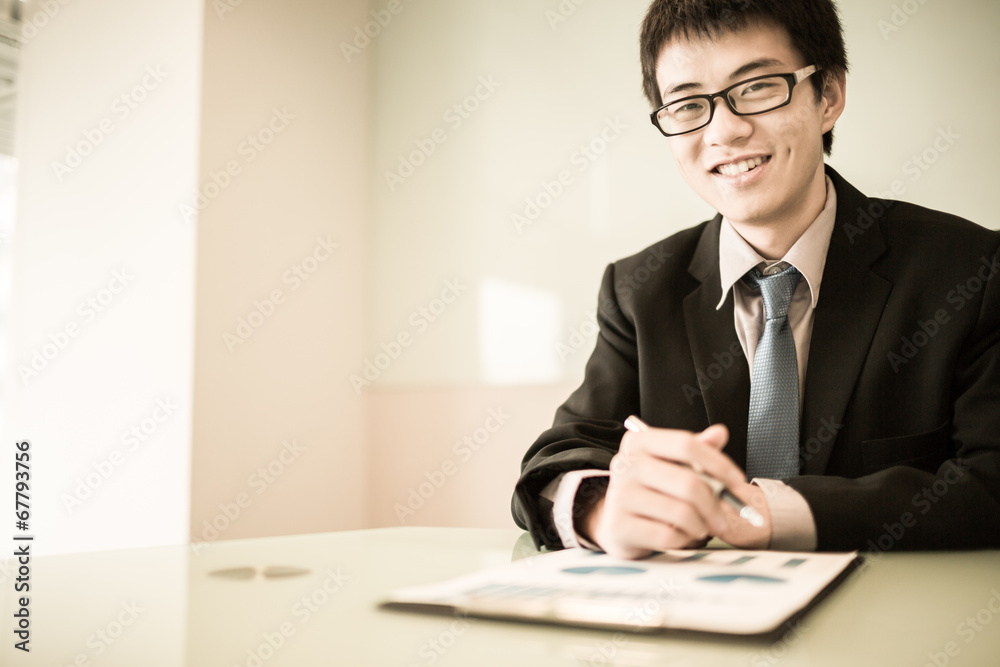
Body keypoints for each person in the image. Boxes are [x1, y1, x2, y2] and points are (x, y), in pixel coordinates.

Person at [511, 0, 1000, 558]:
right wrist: (598, 507)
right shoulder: (638, 291)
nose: (725, 130)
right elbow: (558, 458)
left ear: (830, 96)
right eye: (689, 104)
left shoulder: (971, 270)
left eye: (758, 87)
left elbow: (991, 481)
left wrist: (764, 512)